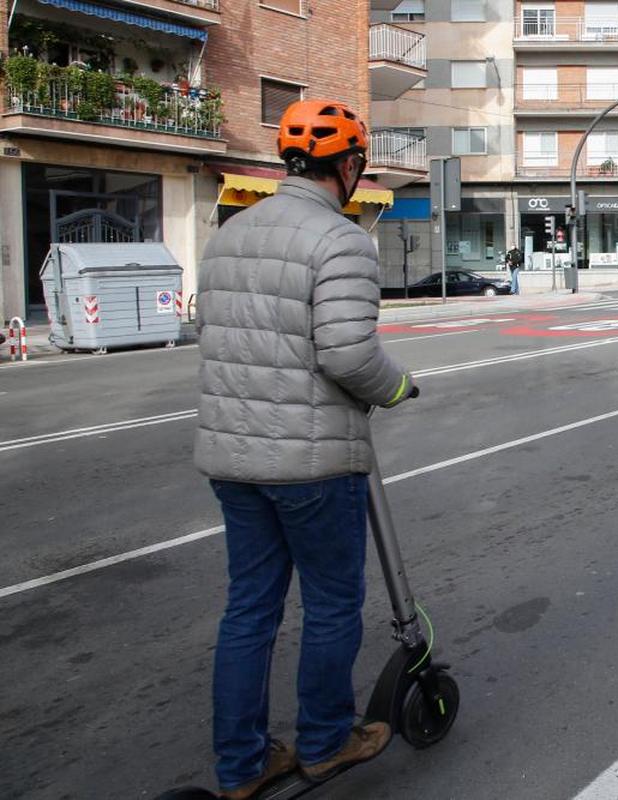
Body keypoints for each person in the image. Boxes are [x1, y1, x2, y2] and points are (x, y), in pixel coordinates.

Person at [194, 99, 415, 800]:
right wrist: (398, 387)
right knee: (330, 604)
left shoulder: (230, 233)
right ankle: (324, 742)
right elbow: (349, 356)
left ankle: (242, 764)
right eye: (358, 165)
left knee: (249, 609)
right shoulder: (341, 240)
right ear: (349, 167)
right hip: (312, 461)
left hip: (233, 458)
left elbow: (224, 337)